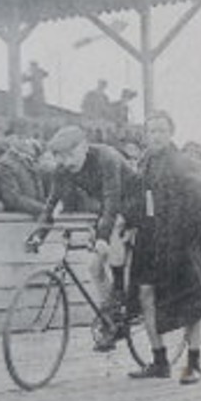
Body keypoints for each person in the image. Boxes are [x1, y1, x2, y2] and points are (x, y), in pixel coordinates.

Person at [30, 124, 143, 352]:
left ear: (84, 146)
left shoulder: (106, 157)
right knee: (94, 268)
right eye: (60, 156)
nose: (66, 162)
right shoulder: (62, 170)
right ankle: (112, 319)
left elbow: (112, 200)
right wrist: (38, 235)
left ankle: (120, 291)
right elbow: (51, 205)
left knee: (113, 231)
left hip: (135, 203)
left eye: (70, 154)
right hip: (109, 208)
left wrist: (102, 237)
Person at [128, 111, 201, 384]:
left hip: (181, 241)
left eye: (161, 131)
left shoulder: (182, 163)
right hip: (150, 239)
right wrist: (130, 221)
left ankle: (193, 363)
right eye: (151, 131)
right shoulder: (145, 163)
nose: (156, 136)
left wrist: (185, 234)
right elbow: (139, 199)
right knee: (145, 293)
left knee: (190, 299)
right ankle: (159, 360)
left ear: (170, 133)